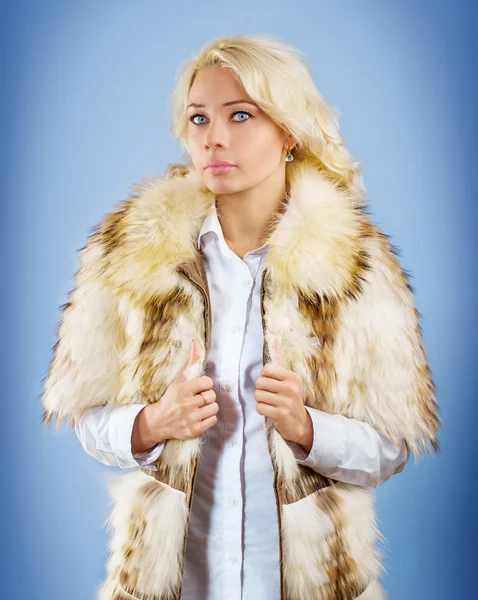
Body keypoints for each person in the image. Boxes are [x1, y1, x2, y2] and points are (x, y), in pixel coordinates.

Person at [41, 33, 441, 600]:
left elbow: (393, 446)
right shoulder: (131, 257)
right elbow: (85, 417)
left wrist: (308, 429)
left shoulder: (357, 268)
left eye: (241, 115)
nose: (215, 138)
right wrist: (153, 423)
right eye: (199, 119)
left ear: (290, 132)